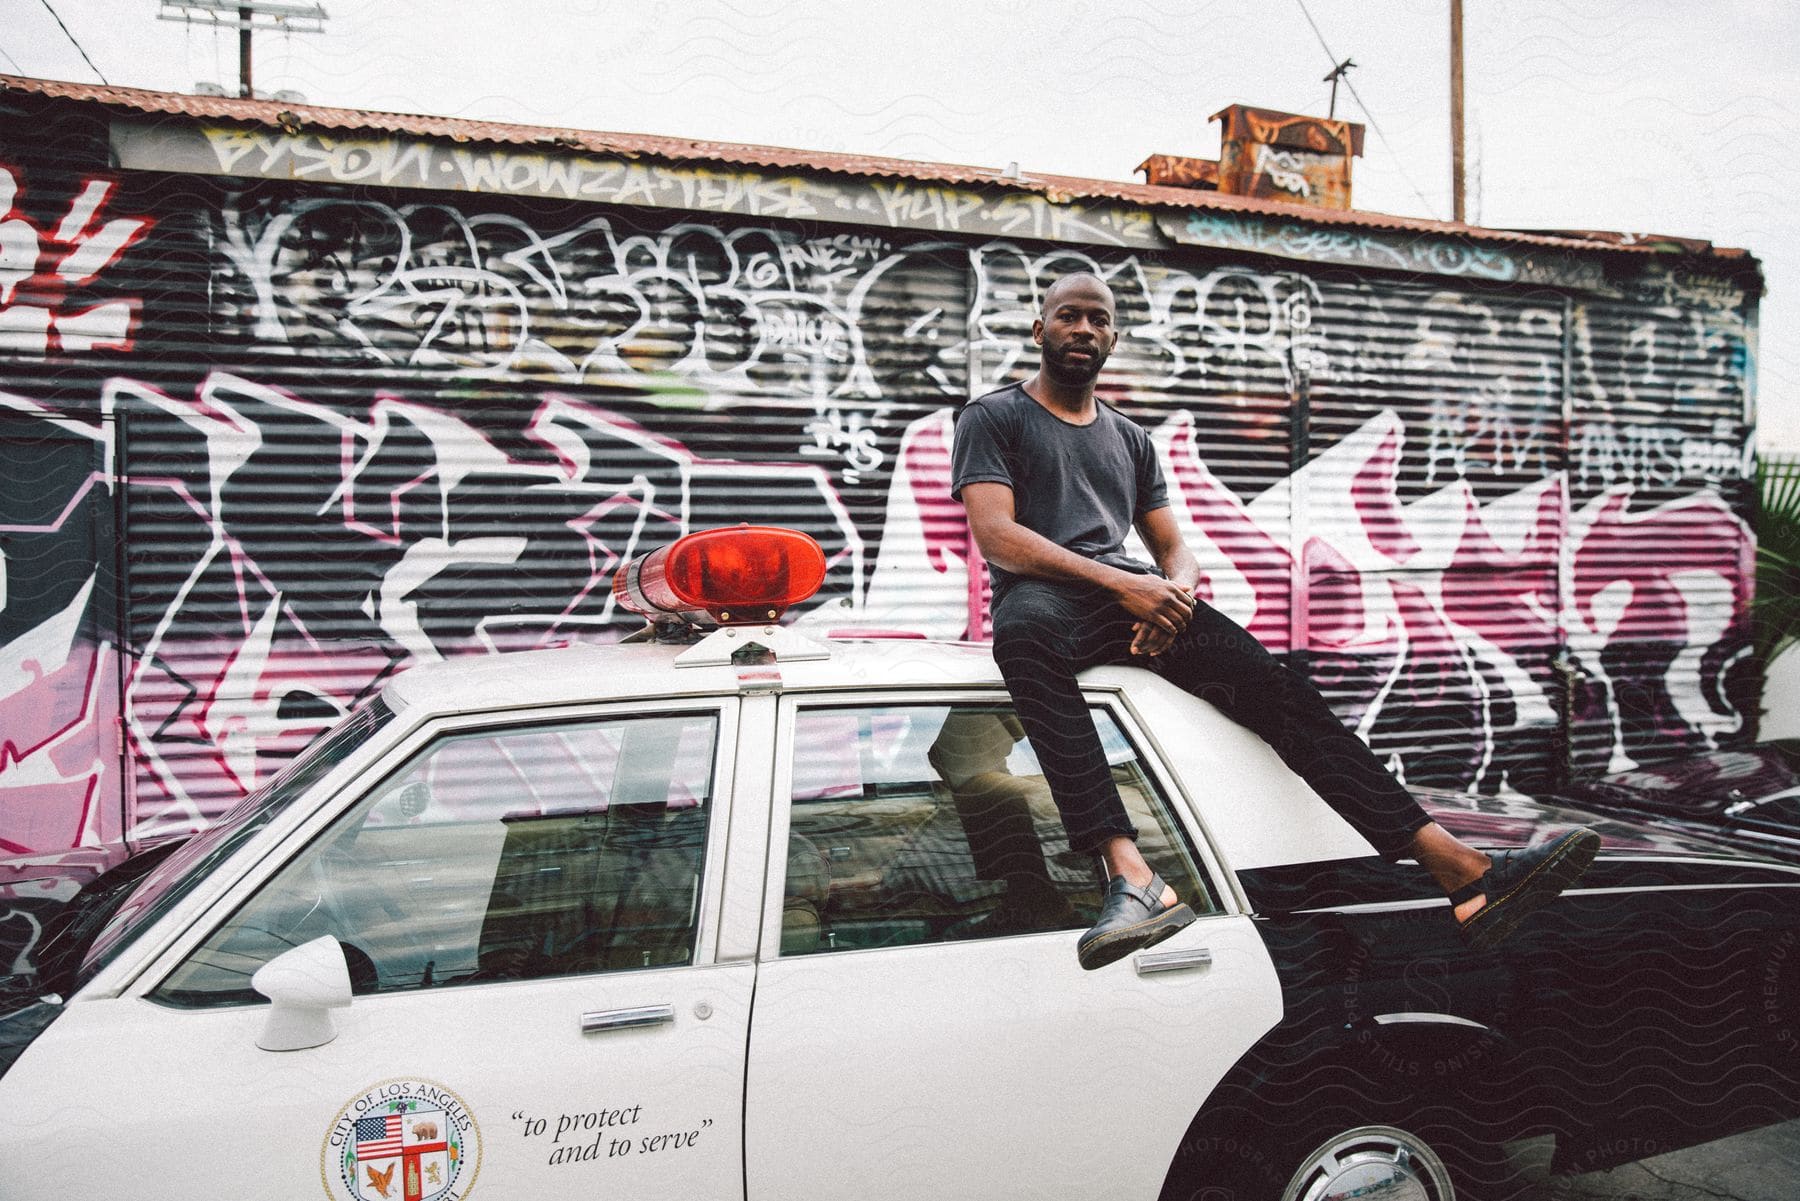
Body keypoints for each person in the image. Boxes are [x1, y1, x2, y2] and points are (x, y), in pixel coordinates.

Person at [950, 271, 1599, 970]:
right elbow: (998, 536)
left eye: (1098, 319)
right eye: (1068, 316)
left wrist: (1177, 597)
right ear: (1038, 329)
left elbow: (1175, 547)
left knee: (1281, 690)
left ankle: (1463, 872)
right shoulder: (994, 417)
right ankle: (1131, 875)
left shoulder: (1130, 438)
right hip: (1049, 596)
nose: (1084, 329)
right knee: (1021, 637)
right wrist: (1126, 586)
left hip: (1134, 597)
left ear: (1114, 337)